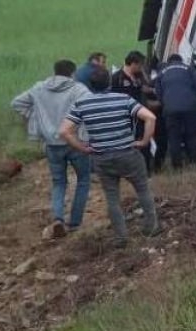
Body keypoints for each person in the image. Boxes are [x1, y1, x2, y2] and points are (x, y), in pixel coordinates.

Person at [60, 67, 159, 247]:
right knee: (143, 189)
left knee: (112, 198)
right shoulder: (123, 99)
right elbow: (150, 117)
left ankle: (121, 237)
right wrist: (143, 141)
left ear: (90, 85)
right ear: (110, 83)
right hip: (128, 153)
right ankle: (151, 227)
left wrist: (83, 148)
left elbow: (64, 131)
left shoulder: (82, 103)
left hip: (102, 158)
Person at [11, 60, 92, 238]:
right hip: (75, 141)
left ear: (55, 72)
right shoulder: (79, 89)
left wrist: (35, 119)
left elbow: (17, 103)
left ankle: (58, 219)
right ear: (72, 73)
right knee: (84, 180)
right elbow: (90, 108)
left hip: (51, 144)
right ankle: (75, 223)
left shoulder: (39, 88)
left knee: (58, 182)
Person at [155, 54, 196, 168]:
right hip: (190, 108)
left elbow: (158, 93)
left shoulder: (162, 73)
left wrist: (167, 103)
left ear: (169, 62)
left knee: (174, 137)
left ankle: (177, 167)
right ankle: (194, 164)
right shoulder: (189, 69)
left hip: (170, 110)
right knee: (192, 136)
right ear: (181, 60)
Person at [111, 50, 159, 172]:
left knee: (145, 143)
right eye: (140, 65)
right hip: (125, 118)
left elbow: (143, 91)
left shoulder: (138, 78)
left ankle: (146, 170)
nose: (142, 67)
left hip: (141, 115)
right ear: (133, 63)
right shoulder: (117, 78)